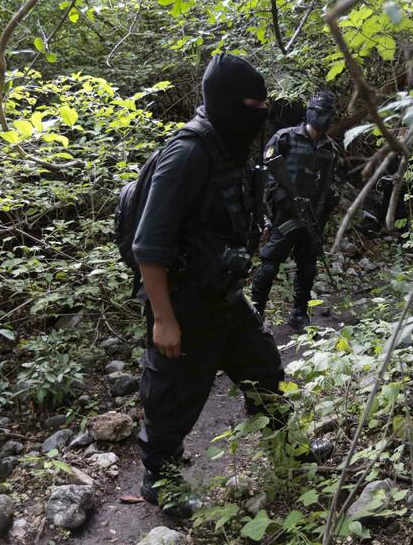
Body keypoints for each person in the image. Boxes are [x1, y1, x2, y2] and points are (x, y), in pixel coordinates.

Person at [131, 53, 288, 513]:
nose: (260, 113)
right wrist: (163, 319)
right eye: (251, 104)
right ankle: (160, 481)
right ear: (225, 103)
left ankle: (287, 449)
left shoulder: (230, 144)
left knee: (262, 366)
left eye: (264, 105)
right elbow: (148, 246)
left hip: (223, 293)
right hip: (182, 301)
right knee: (174, 394)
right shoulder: (188, 153)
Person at [250, 90, 340, 330]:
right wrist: (277, 200)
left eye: (328, 114)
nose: (324, 118)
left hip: (313, 217)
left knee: (308, 266)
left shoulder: (330, 149)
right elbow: (266, 173)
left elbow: (330, 182)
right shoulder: (285, 138)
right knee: (270, 264)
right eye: (320, 112)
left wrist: (330, 200)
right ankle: (256, 311)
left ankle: (299, 314)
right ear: (310, 112)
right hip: (285, 214)